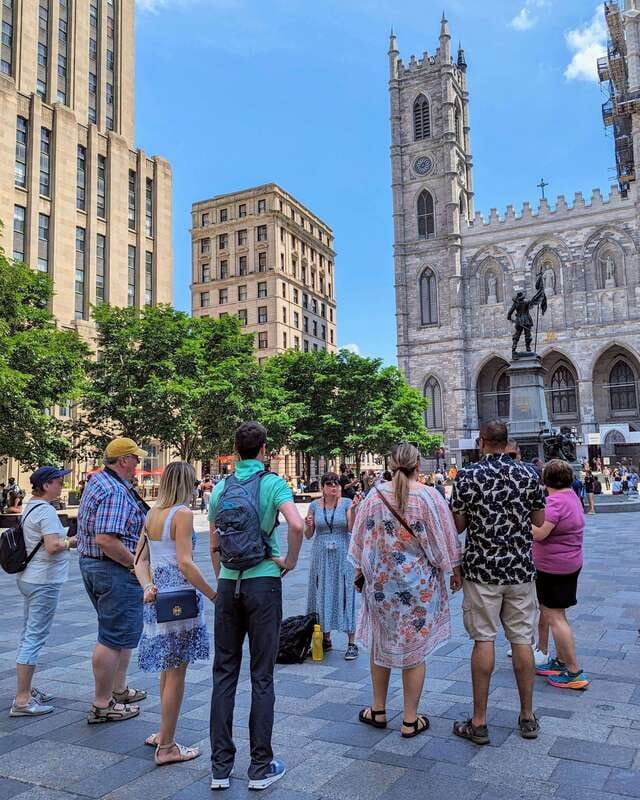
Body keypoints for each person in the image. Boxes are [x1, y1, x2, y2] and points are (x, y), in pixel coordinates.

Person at [209, 421, 304, 791]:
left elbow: (214, 544)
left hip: (229, 582)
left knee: (224, 674)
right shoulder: (272, 483)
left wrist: (222, 578)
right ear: (264, 449)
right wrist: (290, 562)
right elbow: (296, 525)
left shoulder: (220, 488)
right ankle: (260, 766)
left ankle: (220, 768)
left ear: (235, 450)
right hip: (263, 582)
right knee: (261, 676)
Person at [349, 443, 462, 739]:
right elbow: (444, 541)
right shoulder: (428, 497)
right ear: (417, 465)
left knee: (380, 642)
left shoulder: (374, 496)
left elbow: (359, 541)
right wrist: (453, 570)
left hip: (380, 587)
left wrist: (361, 572)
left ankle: (378, 709)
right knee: (414, 651)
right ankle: (410, 719)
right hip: (418, 587)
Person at [450, 420, 545, 745]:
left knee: (484, 640)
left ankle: (479, 722)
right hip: (520, 569)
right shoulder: (529, 474)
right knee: (521, 640)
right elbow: (539, 520)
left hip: (482, 571)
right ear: (507, 442)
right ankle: (528, 717)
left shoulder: (468, 476)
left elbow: (458, 525)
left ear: (482, 442)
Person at [134, 461, 216, 765]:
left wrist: (147, 587)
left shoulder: (151, 514)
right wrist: (214, 594)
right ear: (186, 484)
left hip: (158, 599)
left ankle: (163, 732)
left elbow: (138, 561)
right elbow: (185, 562)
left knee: (168, 669)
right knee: (177, 671)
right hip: (180, 598)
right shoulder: (181, 514)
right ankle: (167, 747)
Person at [77, 437, 150, 724]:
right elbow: (106, 539)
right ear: (123, 461)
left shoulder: (99, 482)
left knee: (118, 633)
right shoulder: (115, 491)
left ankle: (117, 690)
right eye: (135, 458)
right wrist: (135, 566)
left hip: (97, 567)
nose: (138, 464)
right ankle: (102, 703)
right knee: (111, 637)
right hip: (113, 569)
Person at [10, 466, 76, 717]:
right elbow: (52, 546)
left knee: (29, 633)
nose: (62, 485)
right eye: (59, 482)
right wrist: (72, 541)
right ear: (46, 485)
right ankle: (23, 699)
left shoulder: (31, 506)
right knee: (34, 637)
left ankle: (25, 688)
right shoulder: (46, 511)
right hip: (44, 581)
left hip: (29, 578)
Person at [532, 460, 589, 689]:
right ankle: (563, 660)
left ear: (546, 480)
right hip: (569, 563)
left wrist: (521, 521)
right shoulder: (572, 497)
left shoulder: (554, 502)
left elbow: (540, 534)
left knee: (554, 616)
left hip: (553, 567)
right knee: (558, 614)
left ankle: (574, 671)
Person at [305, 472, 358, 660]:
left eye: (336, 484)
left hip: (343, 550)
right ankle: (324, 637)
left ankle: (351, 641)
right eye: (329, 484)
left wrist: (353, 510)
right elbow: (308, 535)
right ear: (323, 488)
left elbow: (351, 528)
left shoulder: (346, 504)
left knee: (345, 592)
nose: (333, 487)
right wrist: (308, 524)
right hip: (321, 553)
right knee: (321, 592)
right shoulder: (314, 505)